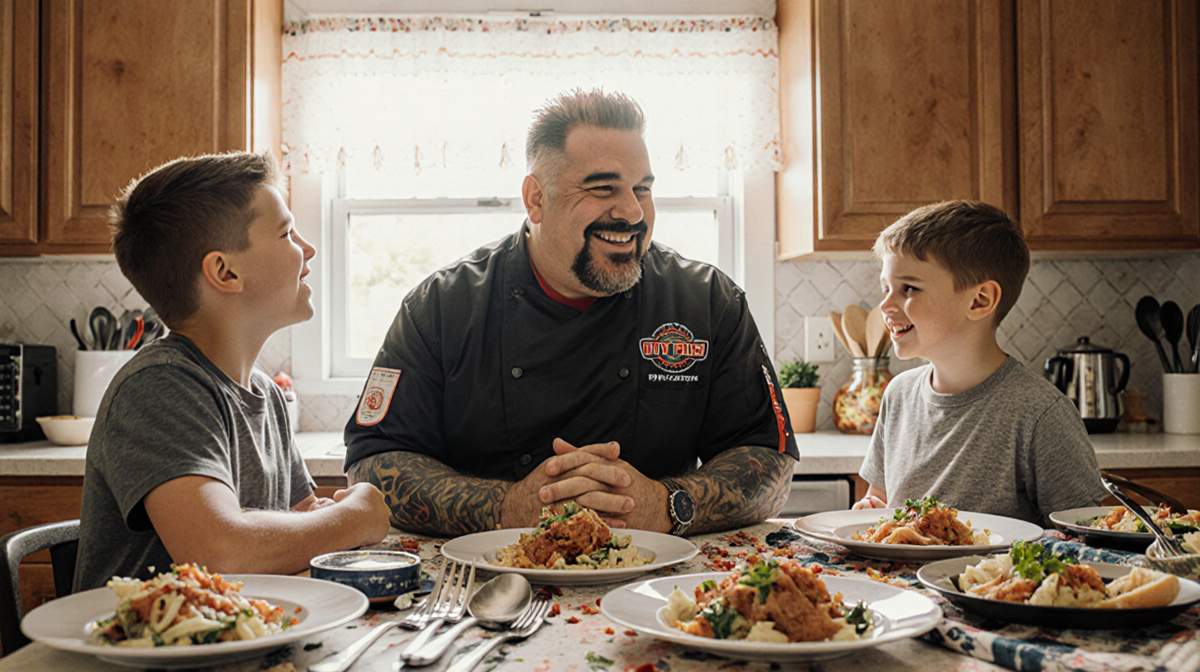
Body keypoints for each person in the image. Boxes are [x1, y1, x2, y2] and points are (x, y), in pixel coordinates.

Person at [344, 89, 798, 537]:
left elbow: (771, 463)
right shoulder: (441, 308)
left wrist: (667, 505)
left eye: (643, 188)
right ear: (535, 199)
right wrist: (506, 508)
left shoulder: (707, 302)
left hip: (661, 595)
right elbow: (372, 466)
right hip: (487, 588)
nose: (633, 211)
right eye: (603, 188)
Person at [74, 152, 390, 591]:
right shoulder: (159, 387)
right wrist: (354, 518)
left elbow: (297, 527)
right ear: (224, 271)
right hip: (144, 653)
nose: (308, 249)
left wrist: (327, 518)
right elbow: (221, 553)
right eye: (286, 233)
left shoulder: (265, 393)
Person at [852, 200, 1107, 524]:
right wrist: (871, 509)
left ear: (980, 300)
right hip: (900, 577)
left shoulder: (1041, 414)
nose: (885, 305)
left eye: (908, 288)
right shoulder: (898, 395)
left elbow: (1082, 536)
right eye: (886, 288)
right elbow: (880, 498)